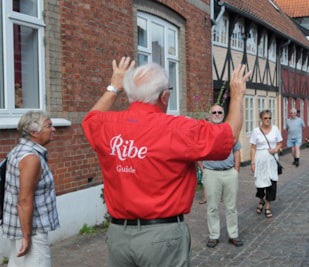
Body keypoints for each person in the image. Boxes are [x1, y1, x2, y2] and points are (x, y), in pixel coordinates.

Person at [82, 57, 251, 266]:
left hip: (119, 236)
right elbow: (230, 136)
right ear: (164, 96)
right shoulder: (178, 128)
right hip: (162, 235)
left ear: (130, 94)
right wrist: (237, 95)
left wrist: (114, 86)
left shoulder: (107, 124)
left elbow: (89, 120)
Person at [2, 111, 60, 267]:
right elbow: (24, 200)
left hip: (21, 226)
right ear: (34, 133)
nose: (54, 129)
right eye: (49, 126)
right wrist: (26, 237)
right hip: (31, 230)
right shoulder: (31, 158)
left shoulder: (18, 150)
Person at [200, 105, 243, 248]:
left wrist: (236, 171)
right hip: (211, 173)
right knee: (212, 207)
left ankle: (233, 234)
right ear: (210, 114)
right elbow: (198, 151)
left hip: (229, 172)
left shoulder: (228, 130)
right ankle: (214, 235)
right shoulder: (205, 132)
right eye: (214, 112)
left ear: (223, 115)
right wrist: (203, 169)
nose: (217, 114)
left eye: (220, 112)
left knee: (231, 207)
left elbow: (237, 151)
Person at [250, 110, 283, 219]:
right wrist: (252, 162)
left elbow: (280, 143)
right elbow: (253, 148)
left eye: (269, 118)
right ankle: (261, 200)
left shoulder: (275, 130)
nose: (268, 120)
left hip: (271, 160)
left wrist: (275, 150)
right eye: (265, 118)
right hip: (260, 159)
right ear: (261, 119)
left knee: (271, 183)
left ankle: (268, 206)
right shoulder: (256, 131)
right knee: (260, 184)